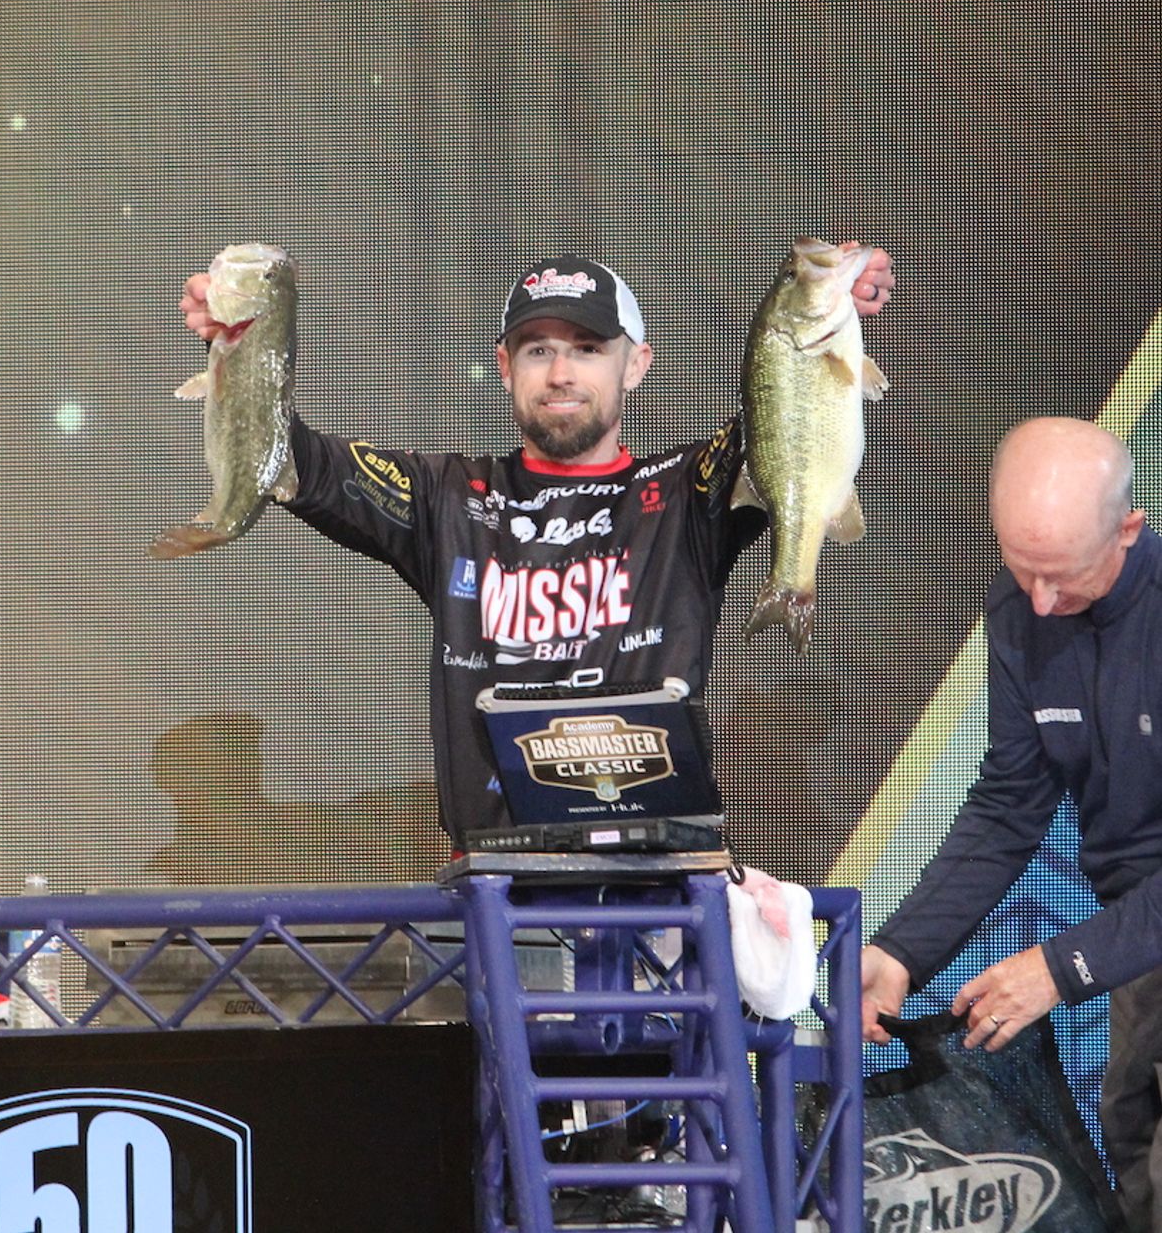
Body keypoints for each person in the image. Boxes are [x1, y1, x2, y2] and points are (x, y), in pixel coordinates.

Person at [178, 246, 893, 851]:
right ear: (505, 365)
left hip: (660, 884)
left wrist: (833, 300)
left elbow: (784, 411)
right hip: (496, 887)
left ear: (635, 364)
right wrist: (241, 345)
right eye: (538, 350)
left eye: (588, 349)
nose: (560, 374)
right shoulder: (446, 498)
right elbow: (298, 461)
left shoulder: (685, 493)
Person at [860, 416, 1162, 1231]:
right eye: (1021, 570)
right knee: (1133, 1145)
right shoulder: (1019, 613)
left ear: (1128, 529)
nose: (1041, 602)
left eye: (1061, 577)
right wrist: (901, 950)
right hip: (1137, 943)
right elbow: (1009, 803)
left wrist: (1060, 968)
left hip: (1136, 933)